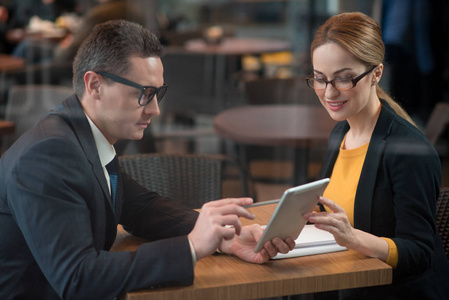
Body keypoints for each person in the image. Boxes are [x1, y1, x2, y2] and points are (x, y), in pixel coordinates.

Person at [0, 20, 295, 299]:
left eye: (158, 93)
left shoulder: (82, 137)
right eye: (144, 93)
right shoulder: (49, 154)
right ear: (95, 86)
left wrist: (223, 237)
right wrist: (191, 247)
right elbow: (78, 278)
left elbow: (141, 208)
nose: (155, 109)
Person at [304, 12, 449, 299]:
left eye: (344, 79)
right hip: (347, 281)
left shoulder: (409, 151)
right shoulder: (340, 133)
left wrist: (352, 238)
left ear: (376, 73)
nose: (329, 93)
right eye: (320, 79)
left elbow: (419, 253)